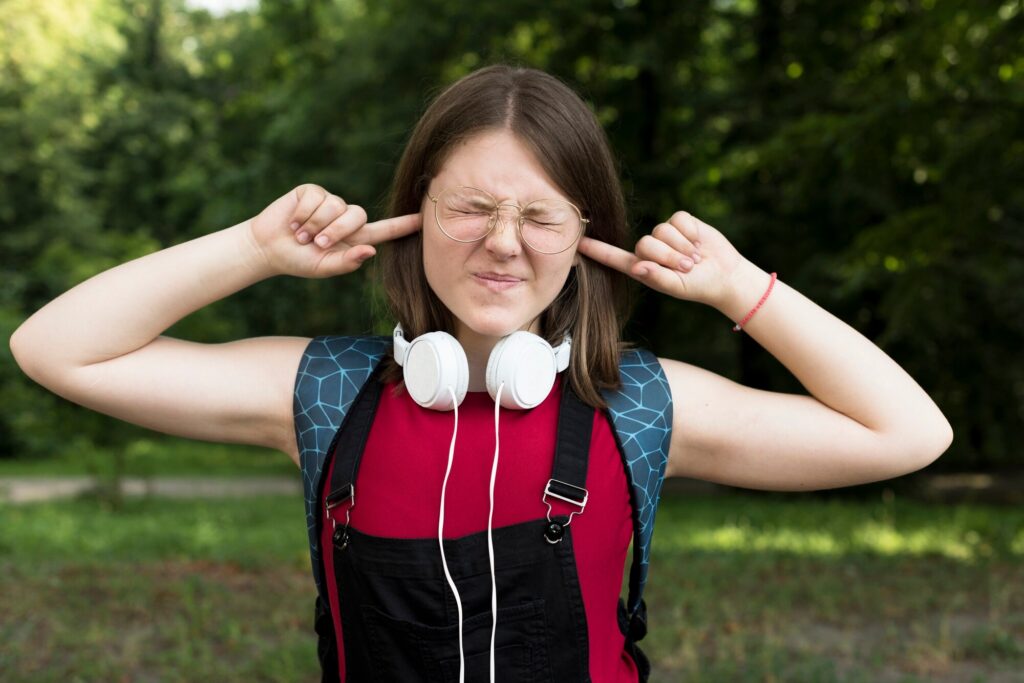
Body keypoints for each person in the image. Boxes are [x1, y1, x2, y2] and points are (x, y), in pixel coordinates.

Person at [9, 63, 953, 682]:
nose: (503, 244)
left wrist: (744, 289)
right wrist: (255, 248)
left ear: (585, 236)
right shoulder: (323, 393)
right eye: (470, 207)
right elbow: (54, 347)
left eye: (542, 217)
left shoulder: (640, 405)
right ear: (414, 213)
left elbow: (908, 432)